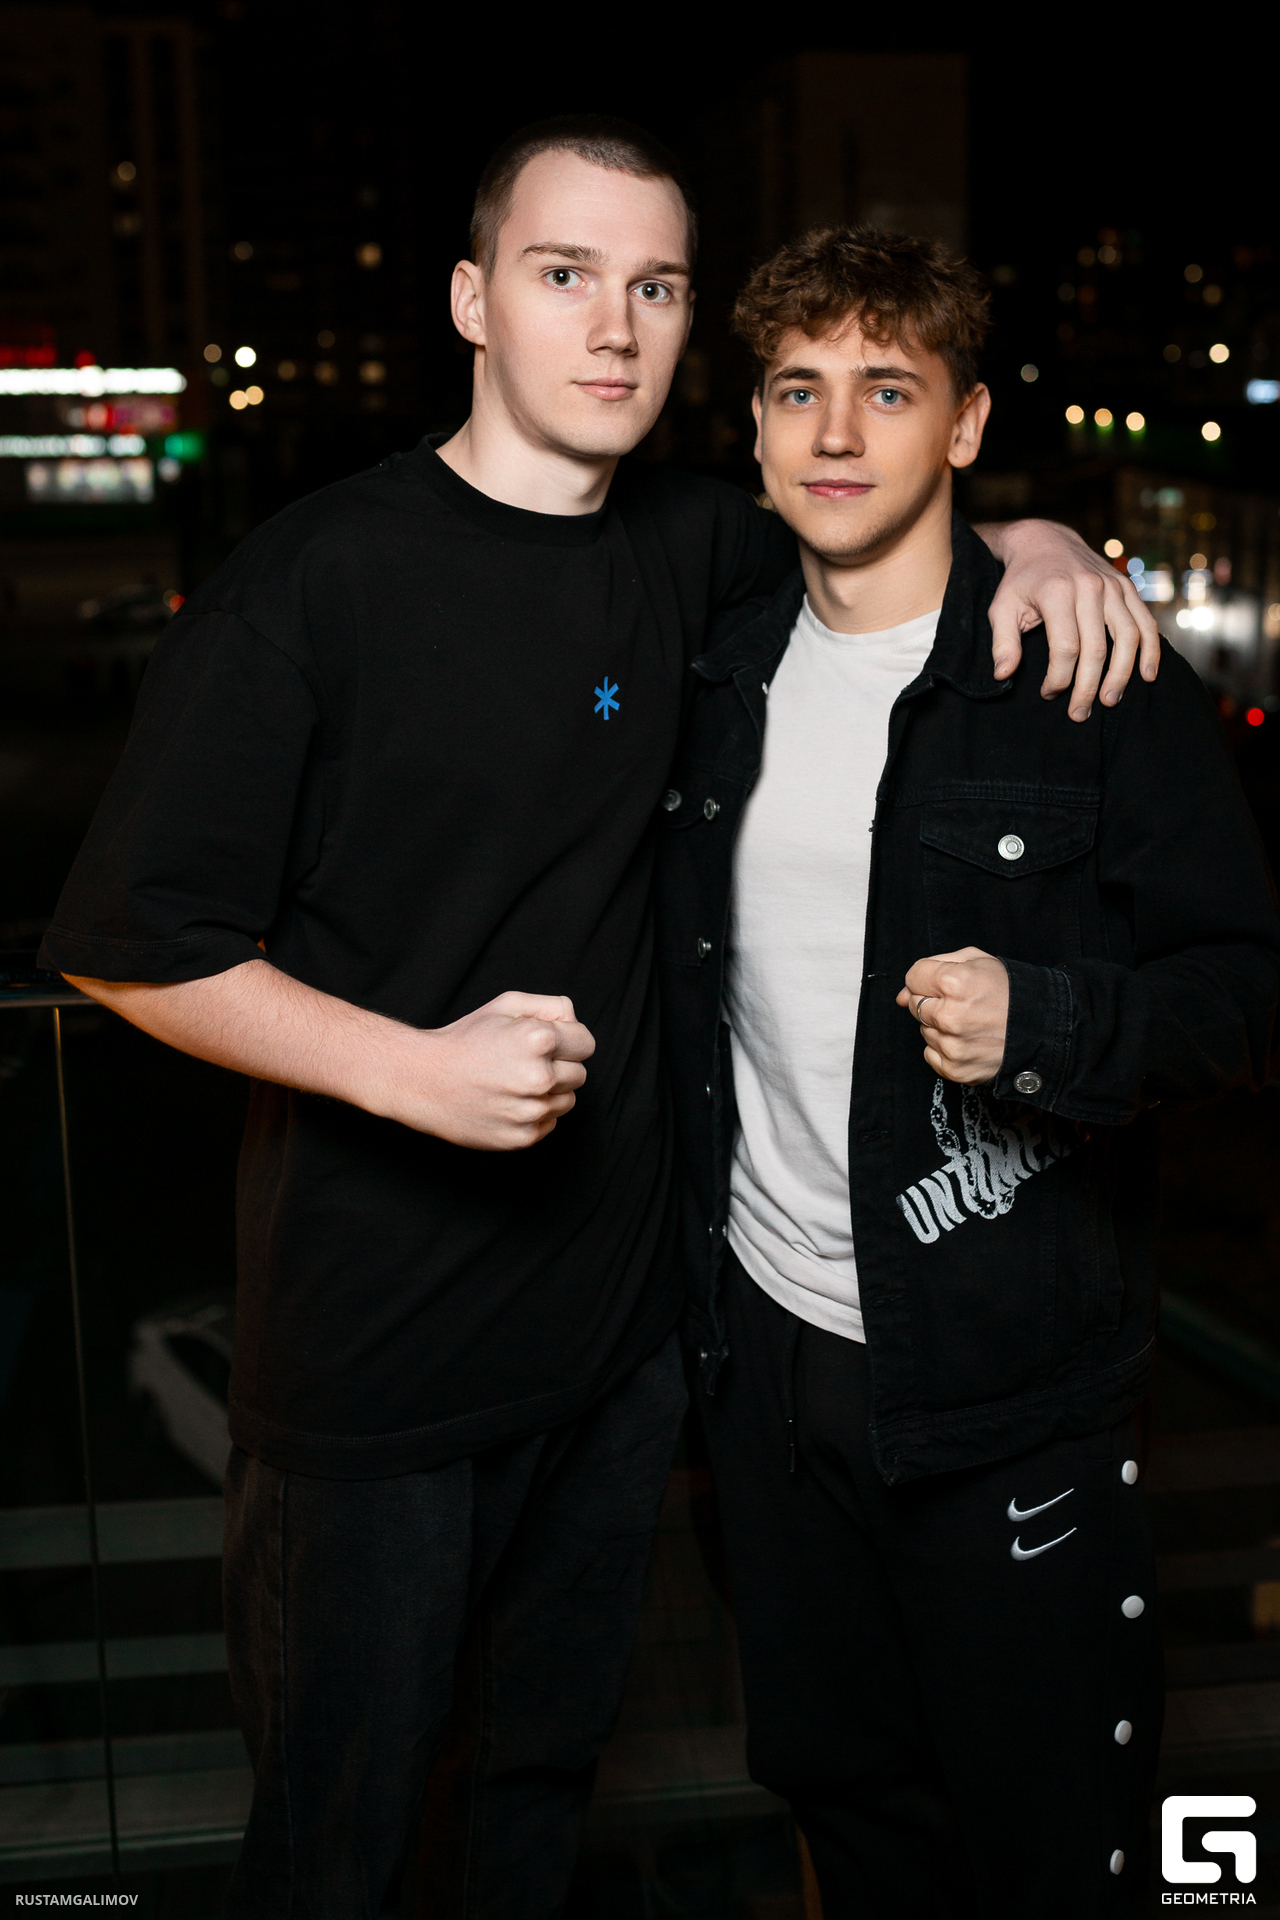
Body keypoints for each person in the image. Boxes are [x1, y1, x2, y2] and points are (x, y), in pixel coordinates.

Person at [42, 121, 1155, 1918]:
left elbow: (882, 515)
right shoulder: (311, 585)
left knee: (531, 1816)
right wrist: (409, 1071)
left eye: (656, 287)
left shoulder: (694, 546)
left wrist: (1042, 535)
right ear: (473, 300)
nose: (615, 326)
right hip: (380, 1372)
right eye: (565, 275)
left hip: (622, 1353)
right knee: (343, 1845)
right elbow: (126, 945)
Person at [656, 222, 1280, 1918]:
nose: (835, 432)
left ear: (968, 421)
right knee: (850, 1810)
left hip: (1009, 1388)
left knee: (1061, 1842)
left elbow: (1245, 995)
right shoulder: (716, 674)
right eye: (798, 388)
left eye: (888, 388)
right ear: (755, 421)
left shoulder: (1086, 677)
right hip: (770, 1369)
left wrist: (1054, 1025)